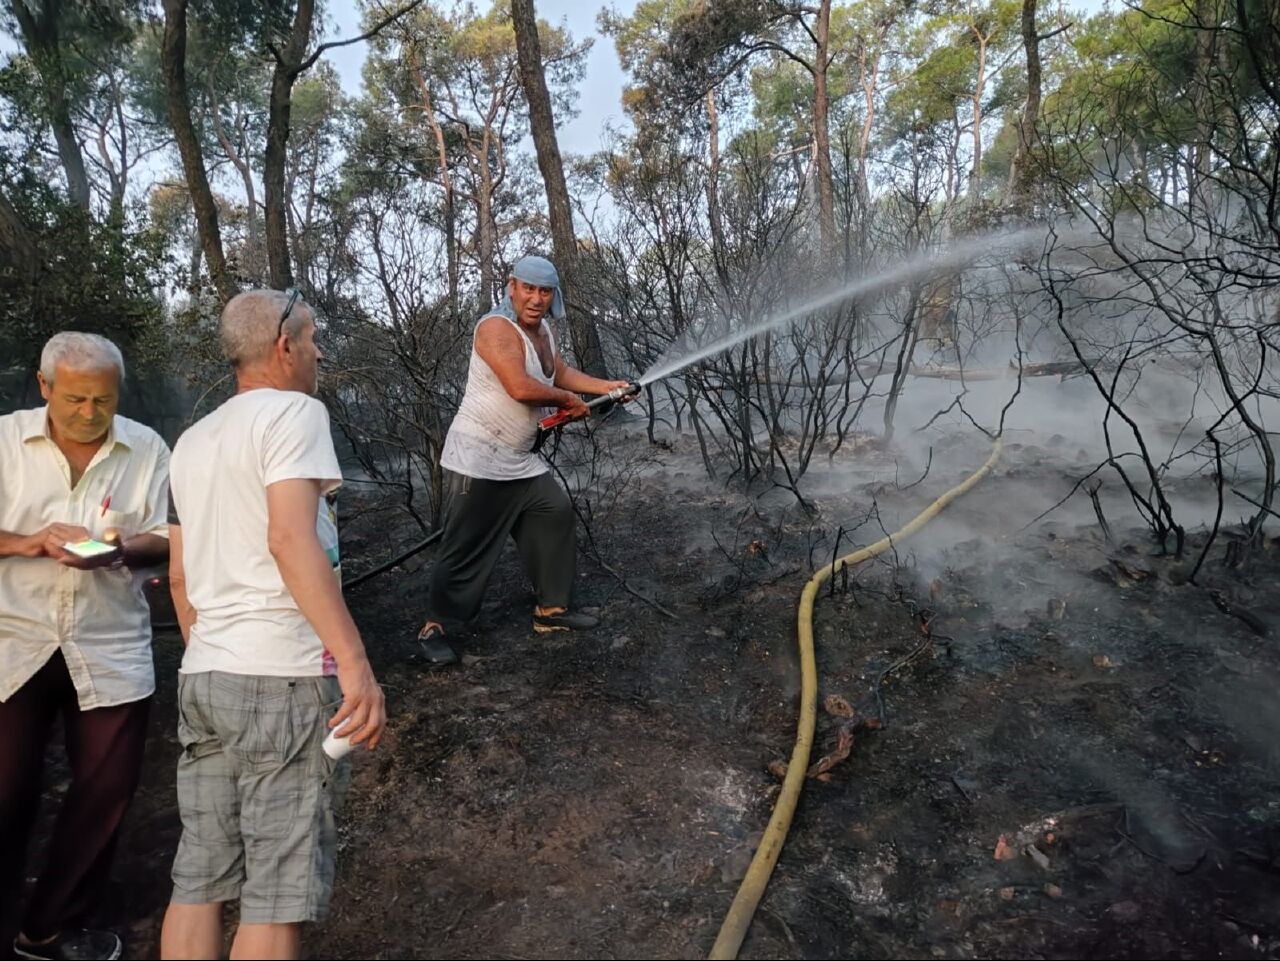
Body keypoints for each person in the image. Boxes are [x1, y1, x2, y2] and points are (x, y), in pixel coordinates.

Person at [159, 289, 386, 961]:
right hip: (281, 677)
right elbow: (291, 538)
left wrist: (212, 646)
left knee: (197, 881)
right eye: (313, 337)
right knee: (273, 897)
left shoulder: (192, 440)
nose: (319, 350)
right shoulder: (295, 412)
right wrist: (354, 661)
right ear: (283, 344)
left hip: (205, 675)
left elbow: (178, 575)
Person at [0, 332, 171, 961]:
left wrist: (119, 549)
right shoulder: (4, 441)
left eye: (103, 400)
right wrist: (31, 542)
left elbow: (163, 537)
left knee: (106, 789)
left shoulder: (146, 447)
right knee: (5, 789)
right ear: (44, 387)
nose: (90, 414)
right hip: (11, 635)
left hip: (107, 639)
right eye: (75, 399)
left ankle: (48, 929)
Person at [416, 255, 633, 666]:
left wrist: (609, 387)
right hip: (478, 458)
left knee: (553, 510)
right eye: (529, 289)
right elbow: (518, 385)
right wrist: (568, 401)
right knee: (464, 546)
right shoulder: (495, 328)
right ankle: (434, 627)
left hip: (517, 459)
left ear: (554, 296)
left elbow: (559, 372)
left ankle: (551, 612)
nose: (536, 299)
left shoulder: (543, 330)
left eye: (545, 291)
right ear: (511, 286)